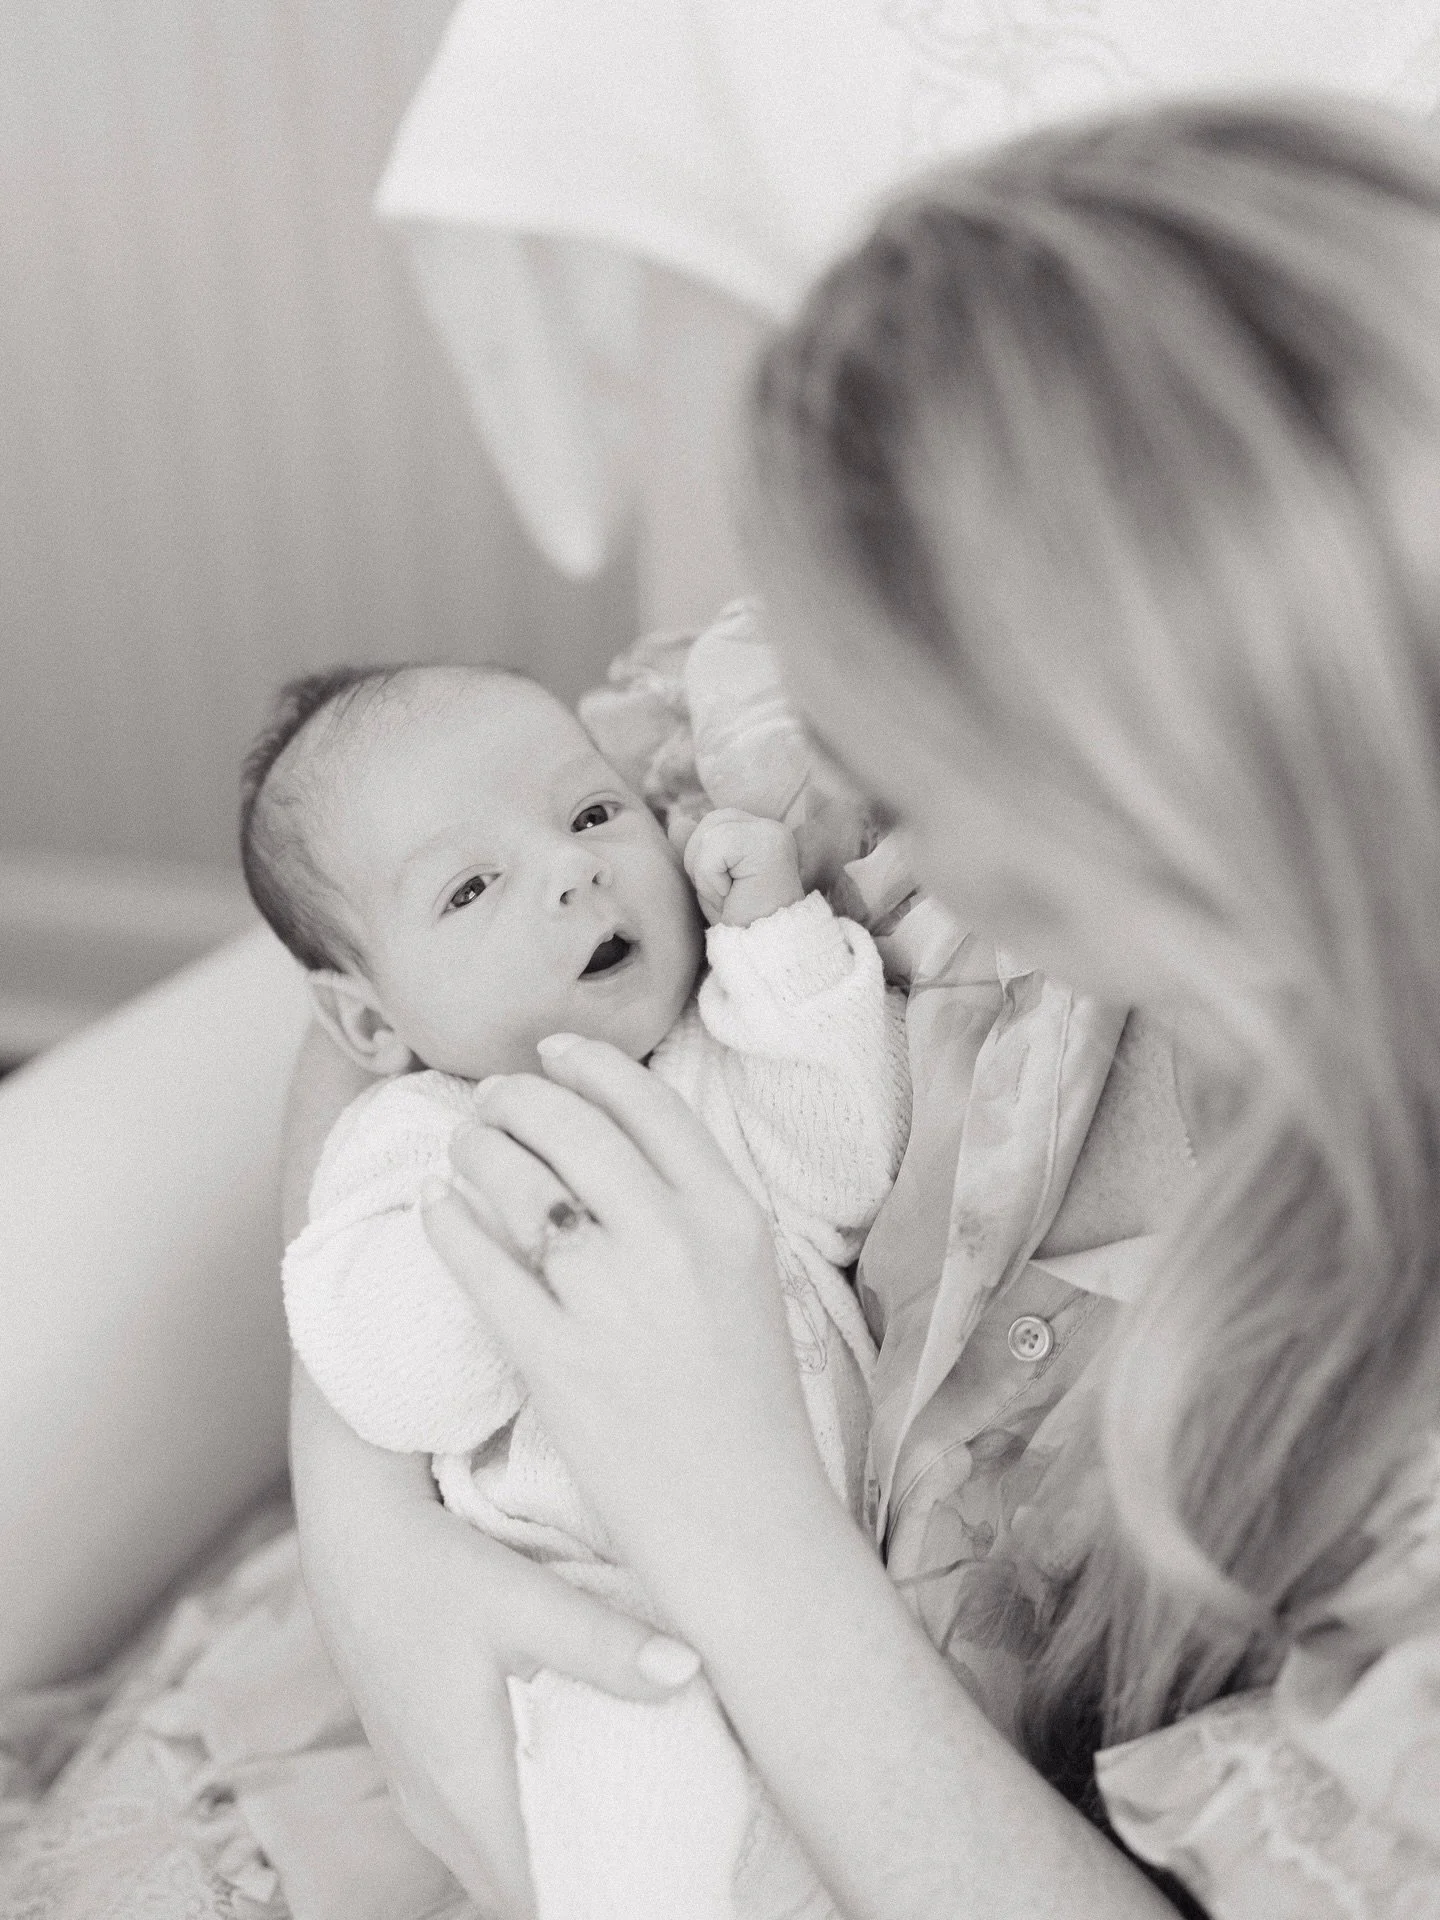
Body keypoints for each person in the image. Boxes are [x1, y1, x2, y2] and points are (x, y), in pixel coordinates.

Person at [403, 96, 1440, 1917]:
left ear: (1173, 787)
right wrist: (373, 1532)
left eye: (911, 739)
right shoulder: (858, 743)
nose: (834, 763)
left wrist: (725, 1512)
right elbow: (387, 866)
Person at [243, 659, 906, 1919]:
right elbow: (396, 1383)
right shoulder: (415, 1142)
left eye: (592, 813)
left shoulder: (723, 1039)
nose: (571, 869)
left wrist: (780, 947)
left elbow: (848, 1164)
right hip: (591, 1623)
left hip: (839, 1590)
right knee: (654, 1839)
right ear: (371, 1025)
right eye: (472, 885)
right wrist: (524, 1206)